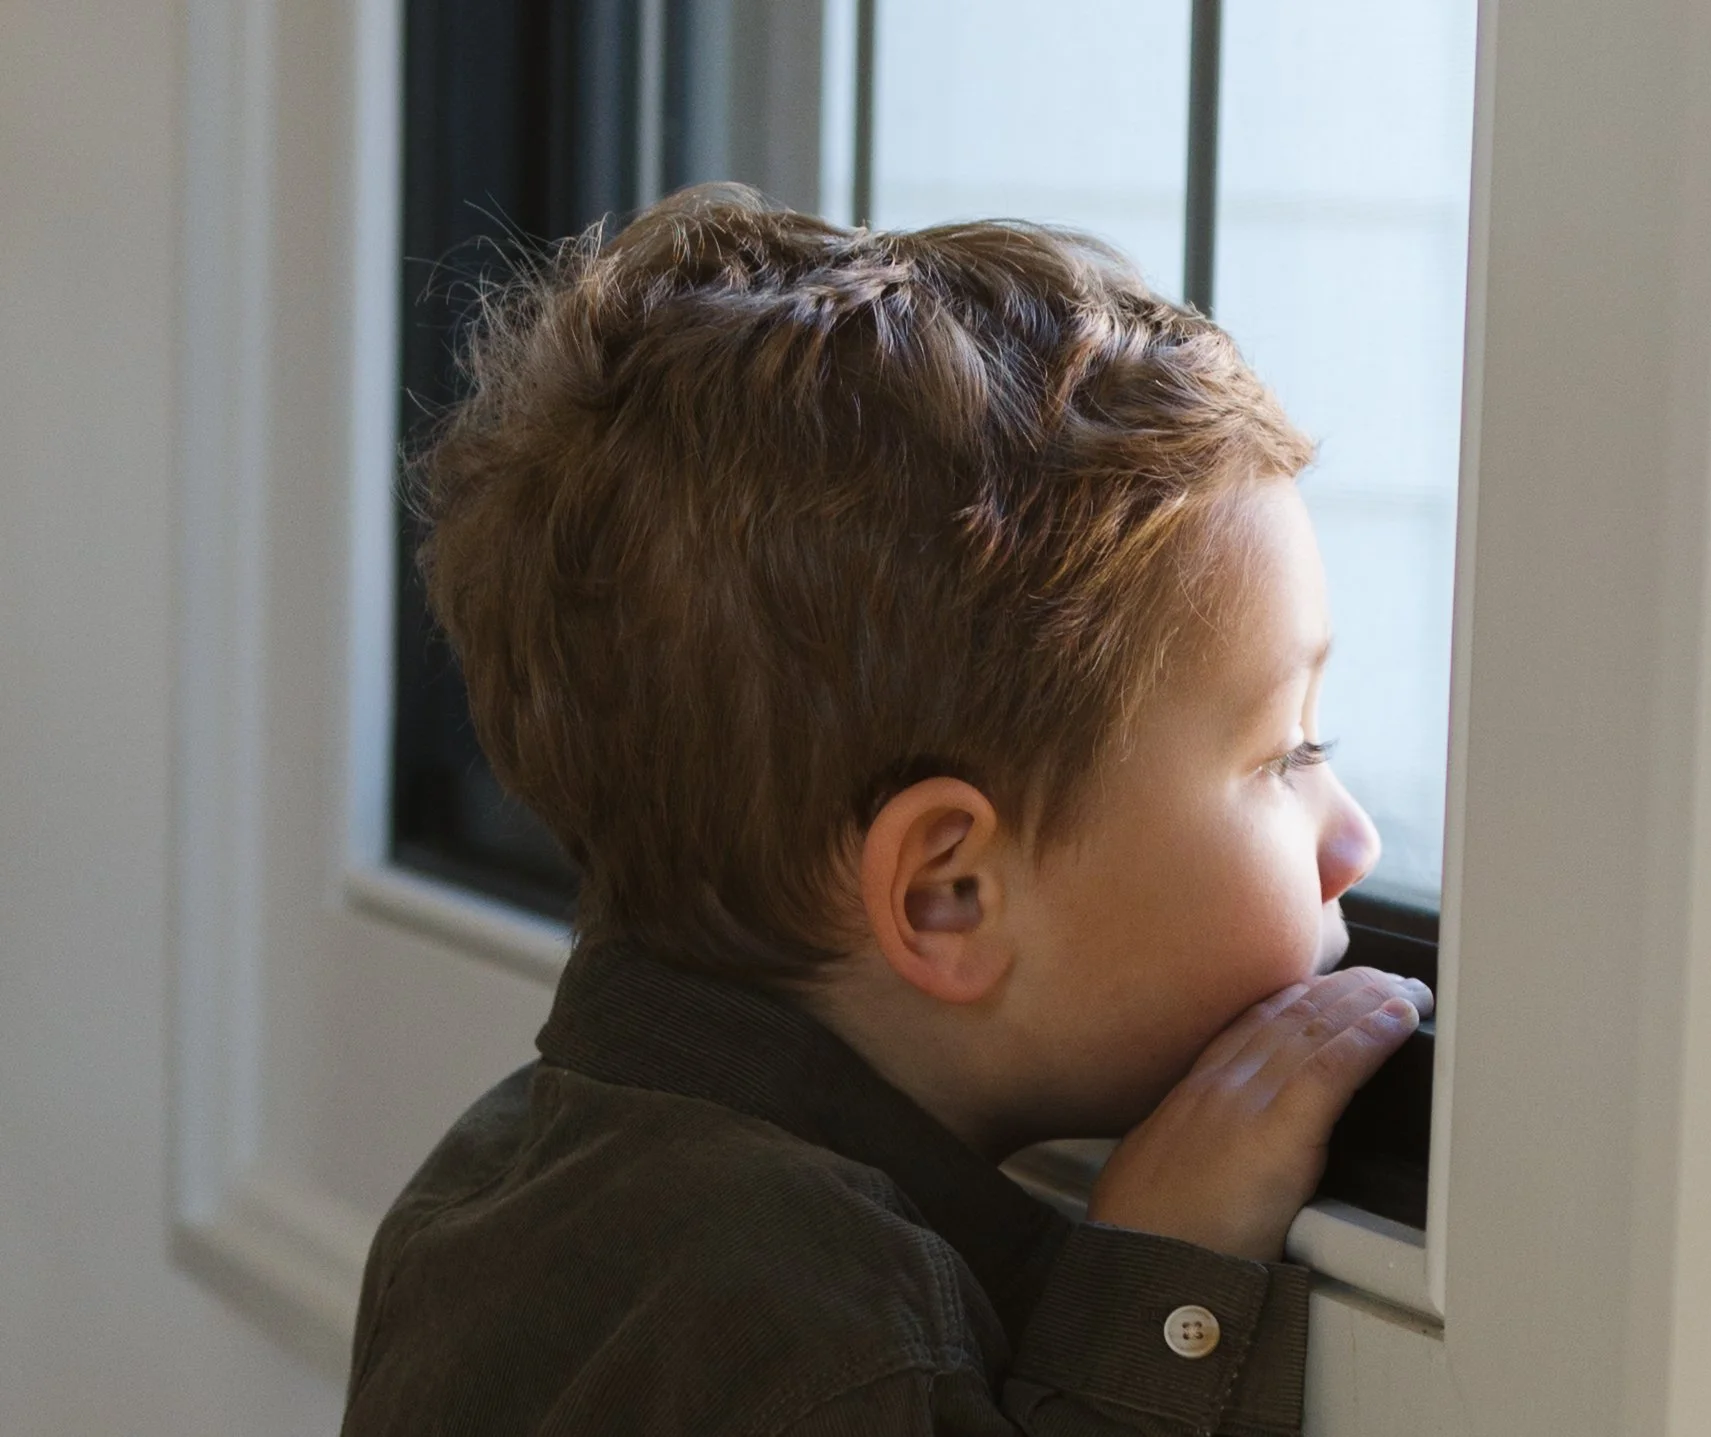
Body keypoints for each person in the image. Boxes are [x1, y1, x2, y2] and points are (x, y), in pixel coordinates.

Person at [341, 182, 1433, 1436]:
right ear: (946, 892)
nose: (1354, 839)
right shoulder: (824, 1341)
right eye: (1285, 755)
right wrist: (1166, 1287)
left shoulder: (497, 1178)